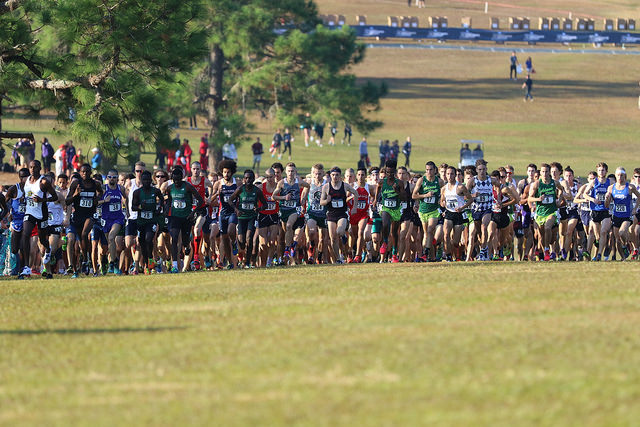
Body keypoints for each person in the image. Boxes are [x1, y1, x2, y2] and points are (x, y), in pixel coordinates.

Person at [21, 160, 58, 279]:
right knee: (26, 234)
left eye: (35, 167)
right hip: (30, 212)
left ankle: (48, 249)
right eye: (31, 167)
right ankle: (26, 266)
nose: (32, 169)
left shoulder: (44, 182)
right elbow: (27, 193)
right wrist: (23, 198)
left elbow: (55, 197)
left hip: (42, 214)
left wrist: (42, 200)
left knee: (42, 240)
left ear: (40, 168)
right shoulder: (27, 180)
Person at [164, 166, 203, 273]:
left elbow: (200, 200)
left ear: (182, 178)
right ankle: (175, 266)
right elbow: (169, 201)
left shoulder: (188, 187)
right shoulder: (170, 188)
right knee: (174, 238)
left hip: (186, 217)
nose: (176, 182)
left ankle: (187, 246)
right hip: (174, 217)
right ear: (172, 178)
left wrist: (193, 213)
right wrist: (166, 211)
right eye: (174, 179)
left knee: (185, 241)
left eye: (178, 179)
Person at [66, 163, 102, 277]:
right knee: (78, 244)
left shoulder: (95, 184)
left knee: (84, 234)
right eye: (83, 172)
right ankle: (82, 260)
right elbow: (67, 201)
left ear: (90, 173)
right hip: (78, 215)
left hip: (90, 214)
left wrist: (97, 199)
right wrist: (76, 194)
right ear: (80, 173)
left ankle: (86, 260)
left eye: (87, 171)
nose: (85, 173)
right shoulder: (76, 184)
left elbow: (101, 192)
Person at [272, 162, 310, 265]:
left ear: (295, 171)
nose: (290, 173)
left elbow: (307, 186)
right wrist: (284, 197)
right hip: (284, 210)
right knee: (287, 232)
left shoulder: (299, 182)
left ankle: (287, 250)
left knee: (289, 226)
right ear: (286, 172)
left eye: (292, 171)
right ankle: (289, 252)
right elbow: (273, 197)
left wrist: (303, 198)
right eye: (289, 171)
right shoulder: (281, 183)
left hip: (295, 209)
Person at [320, 166, 359, 264]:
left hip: (342, 214)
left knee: (339, 231)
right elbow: (321, 202)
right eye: (333, 175)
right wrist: (327, 200)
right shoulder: (326, 187)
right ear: (330, 175)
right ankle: (338, 258)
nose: (335, 177)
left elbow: (356, 193)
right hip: (331, 214)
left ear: (340, 176)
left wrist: (354, 207)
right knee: (333, 238)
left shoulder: (345, 186)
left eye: (337, 175)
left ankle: (343, 235)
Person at [229, 169, 267, 268]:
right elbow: (230, 200)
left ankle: (247, 262)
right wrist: (236, 209)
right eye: (246, 178)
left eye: (250, 178)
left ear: (253, 179)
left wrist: (258, 209)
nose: (248, 180)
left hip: (252, 217)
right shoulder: (240, 189)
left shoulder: (257, 191)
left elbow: (265, 205)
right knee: (242, 242)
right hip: (241, 217)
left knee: (249, 238)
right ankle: (236, 244)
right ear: (243, 179)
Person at [528, 163, 565, 261]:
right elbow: (529, 198)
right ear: (540, 172)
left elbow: (561, 190)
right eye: (543, 171)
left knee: (548, 227)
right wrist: (538, 199)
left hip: (551, 212)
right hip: (540, 213)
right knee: (540, 236)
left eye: (546, 171)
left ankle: (547, 250)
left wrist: (559, 200)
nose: (544, 174)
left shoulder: (554, 183)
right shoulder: (537, 184)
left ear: (549, 172)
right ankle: (541, 251)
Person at [131, 170, 163, 274]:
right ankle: (147, 264)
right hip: (141, 222)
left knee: (149, 239)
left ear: (151, 180)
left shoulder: (156, 191)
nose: (146, 182)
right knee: (142, 243)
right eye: (144, 180)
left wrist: (159, 208)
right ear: (141, 180)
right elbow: (133, 207)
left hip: (152, 221)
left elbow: (162, 200)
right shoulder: (137, 192)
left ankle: (150, 259)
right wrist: (140, 207)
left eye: (148, 180)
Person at [605, 167, 640, 260]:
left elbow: (639, 197)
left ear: (625, 176)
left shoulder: (630, 187)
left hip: (627, 215)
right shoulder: (611, 188)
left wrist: (635, 208)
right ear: (615, 176)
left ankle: (626, 245)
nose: (620, 177)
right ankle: (623, 258)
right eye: (618, 175)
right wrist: (607, 198)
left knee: (621, 232)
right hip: (616, 215)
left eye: (621, 175)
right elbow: (606, 205)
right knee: (617, 239)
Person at [413, 161, 443, 262]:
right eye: (427, 170)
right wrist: (425, 195)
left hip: (434, 211)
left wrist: (441, 199)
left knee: (430, 230)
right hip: (423, 211)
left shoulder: (439, 182)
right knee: (427, 234)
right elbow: (414, 195)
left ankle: (425, 254)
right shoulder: (421, 180)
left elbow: (444, 194)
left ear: (435, 170)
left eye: (430, 170)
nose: (428, 172)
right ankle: (432, 257)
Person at [98, 168, 126, 274]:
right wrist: (104, 201)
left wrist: (127, 211)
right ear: (107, 178)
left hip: (118, 218)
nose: (112, 179)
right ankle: (114, 261)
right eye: (110, 177)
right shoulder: (103, 189)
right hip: (106, 219)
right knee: (109, 243)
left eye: (114, 177)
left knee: (111, 237)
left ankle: (112, 263)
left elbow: (126, 198)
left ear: (117, 178)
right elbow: (95, 202)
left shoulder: (121, 188)